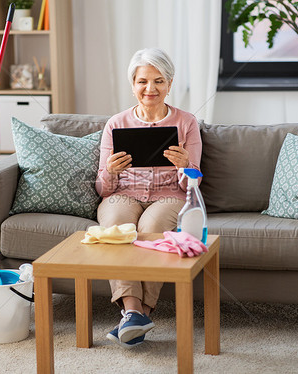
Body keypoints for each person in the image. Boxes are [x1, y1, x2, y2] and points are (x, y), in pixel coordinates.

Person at [95, 48, 202, 348]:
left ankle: (137, 315)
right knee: (116, 229)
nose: (150, 89)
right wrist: (111, 172)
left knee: (151, 229)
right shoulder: (116, 124)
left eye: (158, 81)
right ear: (133, 85)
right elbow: (103, 189)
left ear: (169, 83)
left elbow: (193, 184)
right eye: (143, 81)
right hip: (123, 195)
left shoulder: (186, 123)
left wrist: (185, 167)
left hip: (170, 196)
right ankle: (133, 312)